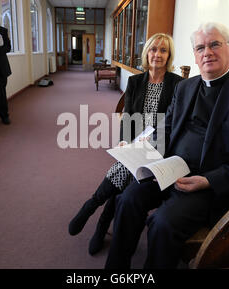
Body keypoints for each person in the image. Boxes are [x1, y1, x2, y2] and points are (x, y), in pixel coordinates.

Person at [104, 22, 229, 269]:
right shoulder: (184, 87)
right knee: (127, 199)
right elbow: (165, 129)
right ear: (195, 56)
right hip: (169, 170)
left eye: (214, 44)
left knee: (162, 223)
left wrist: (208, 181)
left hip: (209, 185)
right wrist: (144, 155)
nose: (207, 52)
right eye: (200, 47)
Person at [68, 33, 184, 255]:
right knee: (127, 169)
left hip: (159, 148)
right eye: (153, 49)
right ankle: (98, 215)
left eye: (163, 50)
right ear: (146, 52)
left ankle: (95, 210)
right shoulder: (135, 81)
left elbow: (175, 122)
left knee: (127, 173)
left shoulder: (178, 84)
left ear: (169, 56)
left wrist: (153, 143)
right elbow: (128, 115)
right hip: (134, 143)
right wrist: (124, 141)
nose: (157, 54)